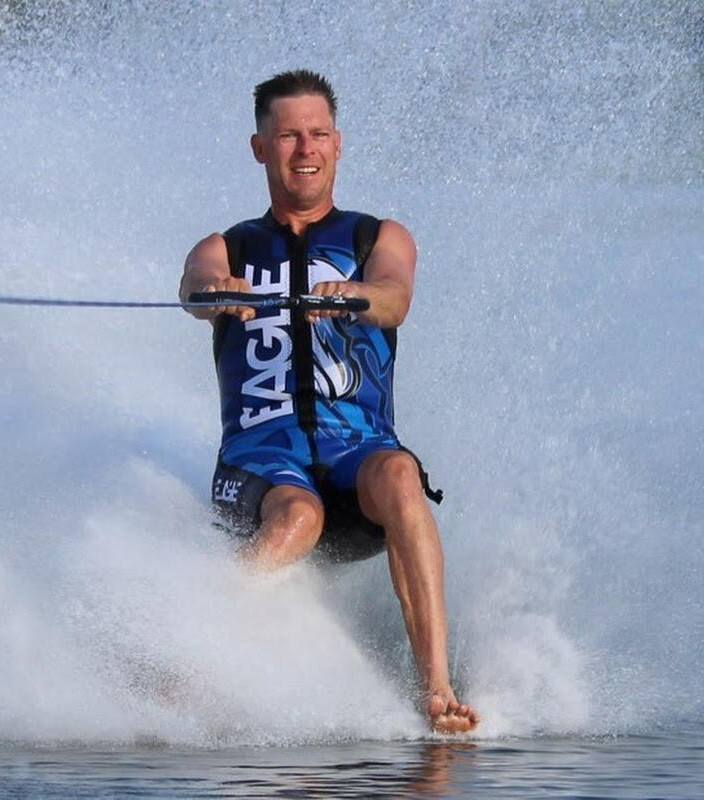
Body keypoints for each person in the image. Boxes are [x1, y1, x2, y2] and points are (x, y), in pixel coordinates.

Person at [180, 69, 478, 734]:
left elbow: (395, 297)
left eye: (318, 134)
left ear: (338, 143)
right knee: (297, 516)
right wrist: (218, 292)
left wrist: (354, 295)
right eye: (288, 136)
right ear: (260, 147)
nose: (305, 149)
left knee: (399, 469)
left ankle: (436, 689)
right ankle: (184, 659)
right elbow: (194, 286)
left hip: (356, 470)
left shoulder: (378, 239)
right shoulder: (226, 247)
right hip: (262, 470)